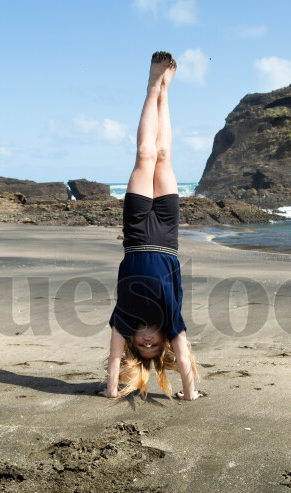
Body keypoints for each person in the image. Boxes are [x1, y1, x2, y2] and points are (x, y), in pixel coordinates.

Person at [99, 52, 203, 401]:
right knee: (164, 156)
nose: (147, 342)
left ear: (133, 343)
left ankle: (151, 87)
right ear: (162, 343)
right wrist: (190, 393)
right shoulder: (171, 318)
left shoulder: (123, 319)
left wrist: (111, 390)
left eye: (142, 346)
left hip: (138, 233)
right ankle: (165, 92)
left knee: (145, 155)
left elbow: (115, 356)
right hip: (168, 236)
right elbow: (184, 353)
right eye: (152, 347)